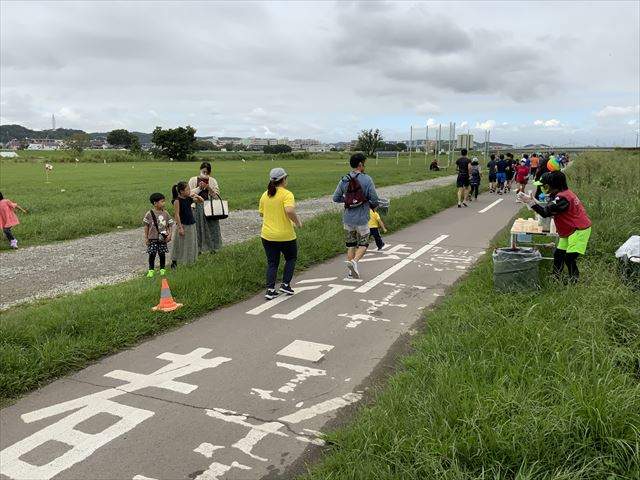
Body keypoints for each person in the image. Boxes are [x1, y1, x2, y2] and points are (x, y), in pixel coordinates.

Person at [520, 171, 591, 283]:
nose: (543, 188)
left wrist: (531, 203)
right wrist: (533, 201)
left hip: (578, 230)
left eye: (545, 186)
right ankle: (555, 277)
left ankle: (574, 281)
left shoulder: (563, 198)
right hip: (569, 230)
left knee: (569, 258)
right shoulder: (562, 194)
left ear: (553, 185)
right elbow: (548, 207)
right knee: (559, 254)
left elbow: (545, 212)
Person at [333, 153, 379, 279]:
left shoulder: (344, 180)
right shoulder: (367, 179)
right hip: (362, 218)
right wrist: (371, 205)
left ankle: (350, 272)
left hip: (348, 219)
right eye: (364, 164)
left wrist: (349, 200)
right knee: (364, 243)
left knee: (351, 245)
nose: (364, 166)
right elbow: (374, 198)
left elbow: (335, 198)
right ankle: (354, 261)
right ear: (360, 164)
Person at [259, 167, 302, 300]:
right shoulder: (287, 194)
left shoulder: (265, 194)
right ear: (283, 179)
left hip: (267, 235)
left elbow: (261, 213)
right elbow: (289, 210)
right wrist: (297, 222)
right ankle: (285, 284)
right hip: (285, 235)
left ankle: (270, 289)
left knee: (272, 262)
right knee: (291, 258)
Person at [189, 161, 223, 254]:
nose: (205, 173)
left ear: (210, 172)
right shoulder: (193, 180)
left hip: (209, 207)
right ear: (200, 170)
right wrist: (199, 188)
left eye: (207, 172)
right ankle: (198, 249)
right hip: (197, 207)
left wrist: (208, 188)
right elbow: (189, 194)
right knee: (198, 228)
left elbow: (216, 196)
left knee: (212, 228)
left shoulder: (213, 181)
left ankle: (213, 248)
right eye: (203, 171)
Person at [170, 181, 203, 268]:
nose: (189, 191)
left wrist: (196, 195)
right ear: (181, 191)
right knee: (179, 243)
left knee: (190, 243)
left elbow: (201, 201)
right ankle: (175, 261)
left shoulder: (189, 198)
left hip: (191, 223)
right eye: (187, 189)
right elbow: (176, 214)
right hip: (183, 224)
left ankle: (189, 261)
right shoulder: (177, 201)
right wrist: (180, 227)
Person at [143, 192, 173, 277]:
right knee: (152, 254)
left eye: (164, 201)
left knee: (162, 254)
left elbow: (170, 225)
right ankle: (151, 270)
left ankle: (162, 270)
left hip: (163, 238)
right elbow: (146, 226)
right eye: (162, 201)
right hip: (152, 238)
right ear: (155, 203)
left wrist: (170, 234)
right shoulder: (149, 214)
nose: (163, 203)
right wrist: (146, 237)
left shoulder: (166, 213)